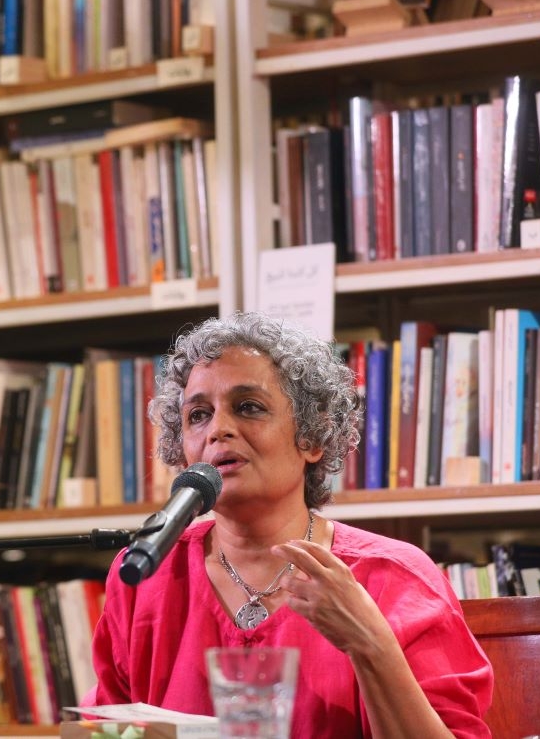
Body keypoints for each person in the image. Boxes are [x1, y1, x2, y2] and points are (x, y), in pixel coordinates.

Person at [86, 312, 493, 738]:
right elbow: (107, 729)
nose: (218, 429)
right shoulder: (145, 575)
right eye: (198, 415)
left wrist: (369, 645)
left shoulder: (394, 579)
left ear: (312, 437)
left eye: (248, 407)